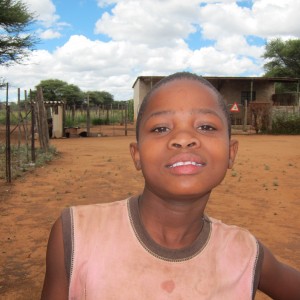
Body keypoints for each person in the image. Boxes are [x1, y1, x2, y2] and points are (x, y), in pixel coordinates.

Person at [41, 72, 300, 299]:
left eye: (206, 126)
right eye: (161, 128)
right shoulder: (75, 235)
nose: (184, 138)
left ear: (231, 153)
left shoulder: (246, 254)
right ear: (137, 154)